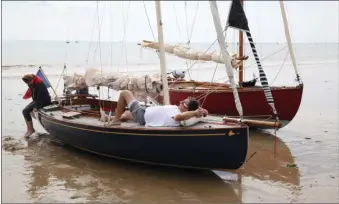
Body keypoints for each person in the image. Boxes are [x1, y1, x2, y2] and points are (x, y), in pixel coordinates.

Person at [111, 90, 208, 127]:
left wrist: (195, 113)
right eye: (182, 100)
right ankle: (116, 117)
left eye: (184, 103)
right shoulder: (179, 110)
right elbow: (197, 111)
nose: (181, 102)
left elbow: (179, 117)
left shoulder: (178, 114)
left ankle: (116, 121)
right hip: (145, 111)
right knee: (127, 114)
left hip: (142, 115)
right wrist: (203, 111)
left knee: (125, 93)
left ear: (188, 110)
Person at [22, 74, 51, 138]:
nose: (28, 84)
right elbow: (34, 95)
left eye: (28, 82)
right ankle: (30, 129)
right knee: (24, 110)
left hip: (44, 101)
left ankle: (31, 129)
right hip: (37, 100)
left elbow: (42, 99)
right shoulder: (32, 83)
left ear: (31, 79)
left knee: (25, 111)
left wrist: (36, 107)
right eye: (26, 83)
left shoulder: (39, 84)